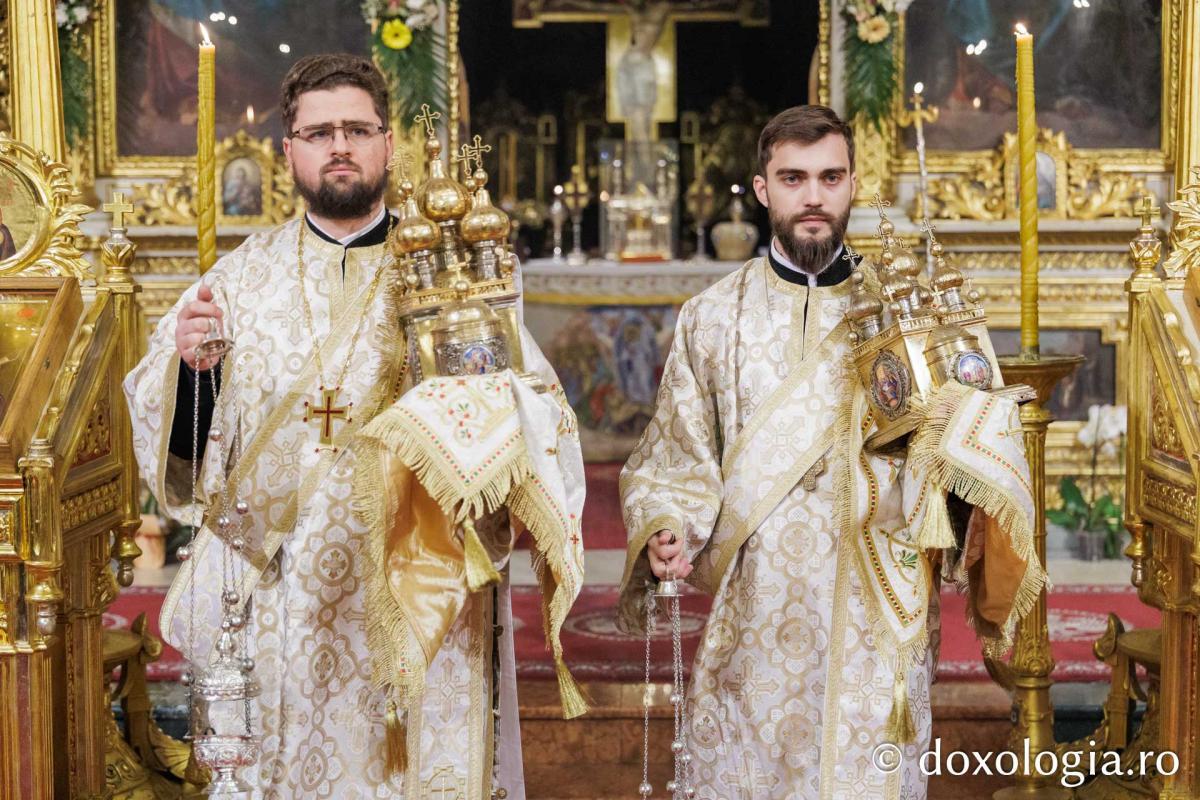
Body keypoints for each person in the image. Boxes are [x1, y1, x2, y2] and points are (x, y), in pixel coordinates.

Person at [125, 53, 572, 797]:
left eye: (357, 130)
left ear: (388, 145)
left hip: (418, 579)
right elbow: (173, 436)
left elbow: (533, 405)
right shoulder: (237, 280)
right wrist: (193, 369)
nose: (340, 146)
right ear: (289, 150)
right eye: (319, 132)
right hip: (283, 593)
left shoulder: (453, 272)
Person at [618, 105, 1042, 799]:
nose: (813, 196)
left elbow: (972, 446)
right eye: (793, 178)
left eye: (830, 177)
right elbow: (675, 453)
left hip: (878, 596)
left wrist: (969, 447)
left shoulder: (911, 312)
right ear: (763, 189)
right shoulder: (714, 317)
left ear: (851, 184)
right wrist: (667, 525)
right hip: (757, 605)